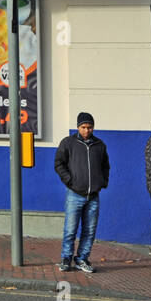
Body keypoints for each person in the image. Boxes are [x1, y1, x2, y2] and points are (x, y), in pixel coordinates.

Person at [54, 112, 109, 274]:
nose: (87, 130)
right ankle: (66, 258)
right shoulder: (68, 143)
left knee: (89, 230)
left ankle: (82, 259)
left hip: (93, 196)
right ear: (78, 127)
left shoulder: (100, 145)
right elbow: (58, 164)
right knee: (70, 229)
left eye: (90, 127)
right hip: (74, 194)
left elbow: (105, 166)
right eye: (84, 127)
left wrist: (102, 182)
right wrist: (69, 180)